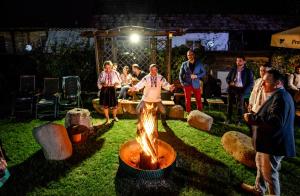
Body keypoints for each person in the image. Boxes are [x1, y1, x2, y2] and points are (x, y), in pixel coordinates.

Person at [242, 69, 296, 196]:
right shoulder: (277, 95)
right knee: (260, 165)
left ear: (277, 83)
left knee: (270, 174)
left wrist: (251, 118)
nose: (262, 85)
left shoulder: (281, 98)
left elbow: (275, 122)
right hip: (267, 142)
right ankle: (258, 189)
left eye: (265, 82)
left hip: (273, 144)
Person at [225, 55, 254, 125]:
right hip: (232, 88)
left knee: (240, 106)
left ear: (244, 62)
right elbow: (227, 78)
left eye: (240, 61)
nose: (238, 62)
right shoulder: (233, 69)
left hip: (241, 89)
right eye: (237, 60)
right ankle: (228, 119)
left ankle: (239, 120)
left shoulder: (248, 71)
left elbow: (251, 82)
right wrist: (230, 82)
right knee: (229, 105)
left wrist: (245, 91)